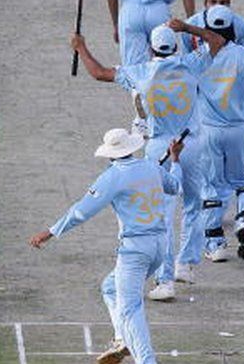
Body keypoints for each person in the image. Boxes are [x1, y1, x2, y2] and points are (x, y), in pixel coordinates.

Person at [70, 24, 224, 301]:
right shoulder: (191, 63)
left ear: (151, 49)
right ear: (175, 47)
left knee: (163, 215)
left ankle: (164, 281)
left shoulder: (140, 72)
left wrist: (81, 47)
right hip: (191, 144)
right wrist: (187, 27)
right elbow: (216, 40)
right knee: (194, 204)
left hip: (157, 148)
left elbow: (99, 73)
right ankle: (186, 263)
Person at [29, 128, 184, 364]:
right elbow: (175, 186)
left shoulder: (113, 176)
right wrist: (175, 159)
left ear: (111, 154)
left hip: (135, 251)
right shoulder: (151, 166)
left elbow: (81, 211)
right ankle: (122, 338)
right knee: (111, 288)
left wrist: (50, 232)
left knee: (130, 308)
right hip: (160, 247)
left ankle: (147, 360)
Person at [168, 6, 244, 263]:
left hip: (208, 132)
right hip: (240, 130)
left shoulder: (197, 60)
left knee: (211, 187)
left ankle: (215, 243)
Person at [178, 0, 244, 54]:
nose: (217, 6)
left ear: (229, 4)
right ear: (205, 3)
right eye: (213, 2)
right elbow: (185, 56)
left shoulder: (242, 25)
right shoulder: (190, 25)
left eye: (222, 3)